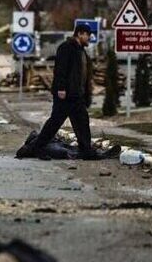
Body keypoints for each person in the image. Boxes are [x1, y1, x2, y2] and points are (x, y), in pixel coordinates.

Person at [17, 24, 100, 160]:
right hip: (66, 94)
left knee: (82, 122)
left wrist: (86, 94)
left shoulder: (81, 51)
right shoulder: (66, 47)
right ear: (80, 34)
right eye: (87, 35)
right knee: (55, 122)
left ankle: (86, 151)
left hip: (77, 94)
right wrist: (61, 88)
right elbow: (61, 69)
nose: (89, 38)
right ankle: (37, 147)